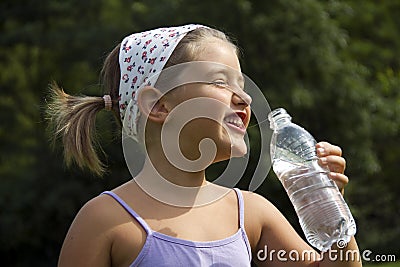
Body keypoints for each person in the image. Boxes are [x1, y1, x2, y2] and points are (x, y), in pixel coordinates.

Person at [48, 24, 362, 266]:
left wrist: (330, 209)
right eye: (220, 81)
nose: (245, 98)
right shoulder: (105, 221)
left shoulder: (250, 214)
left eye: (241, 84)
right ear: (158, 105)